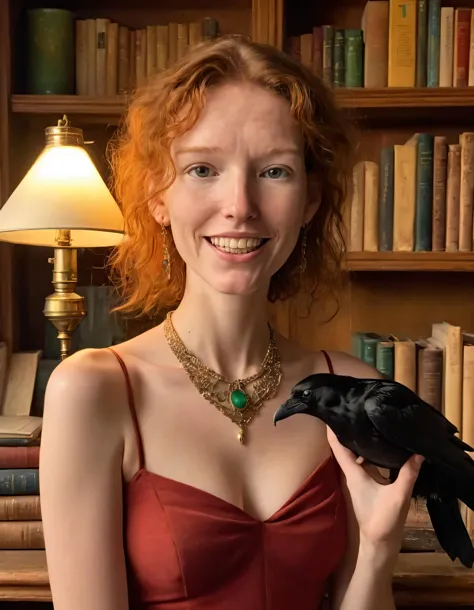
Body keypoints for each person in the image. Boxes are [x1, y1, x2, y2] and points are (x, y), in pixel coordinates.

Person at [39, 35, 423, 610]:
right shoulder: (92, 390)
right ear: (157, 196)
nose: (240, 204)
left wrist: (376, 549)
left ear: (310, 202)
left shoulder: (353, 390)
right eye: (202, 168)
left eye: (274, 171)